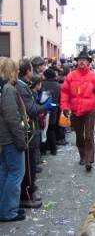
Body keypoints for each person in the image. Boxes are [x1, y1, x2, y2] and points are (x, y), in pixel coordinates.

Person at [60, 51, 95, 171]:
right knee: (79, 136)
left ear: (88, 62)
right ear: (77, 61)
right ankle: (82, 155)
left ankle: (89, 160)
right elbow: (65, 92)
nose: (82, 61)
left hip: (89, 111)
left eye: (84, 59)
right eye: (80, 59)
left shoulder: (94, 76)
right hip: (76, 110)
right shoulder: (71, 76)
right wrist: (64, 107)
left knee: (89, 135)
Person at [16, 59, 56, 208]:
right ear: (28, 71)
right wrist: (44, 107)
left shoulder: (23, 86)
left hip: (31, 130)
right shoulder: (21, 87)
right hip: (28, 132)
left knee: (30, 165)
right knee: (28, 166)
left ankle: (29, 192)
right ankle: (26, 195)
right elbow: (30, 109)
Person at [0, 57, 29, 222]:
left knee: (5, 172)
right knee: (16, 173)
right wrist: (20, 141)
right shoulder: (8, 89)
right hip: (10, 138)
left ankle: (4, 208)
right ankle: (8, 211)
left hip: (3, 138)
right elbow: (11, 118)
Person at [41, 68, 62, 155]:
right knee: (51, 130)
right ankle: (54, 149)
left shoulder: (43, 84)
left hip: (44, 109)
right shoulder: (57, 85)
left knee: (43, 130)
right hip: (54, 110)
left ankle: (44, 149)